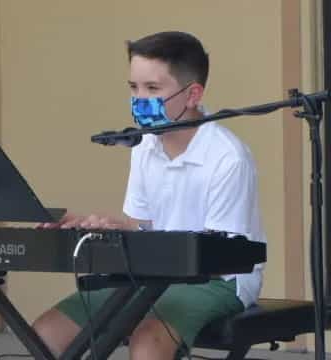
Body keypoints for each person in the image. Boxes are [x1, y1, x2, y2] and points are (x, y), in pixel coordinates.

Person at [33, 31, 266, 359]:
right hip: (152, 272)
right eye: (133, 87)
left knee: (147, 342)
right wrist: (108, 226)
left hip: (220, 279)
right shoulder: (143, 146)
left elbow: (219, 255)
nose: (140, 99)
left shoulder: (228, 157)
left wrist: (145, 242)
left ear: (193, 94)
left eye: (153, 89)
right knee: (45, 334)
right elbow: (143, 226)